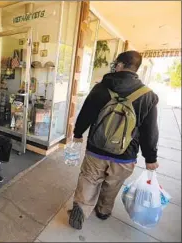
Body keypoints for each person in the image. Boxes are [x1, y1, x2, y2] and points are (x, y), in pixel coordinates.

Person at [69, 51, 159, 230]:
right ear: (136, 68)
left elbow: (85, 113)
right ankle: (103, 210)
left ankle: (80, 209)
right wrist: (151, 158)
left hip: (96, 148)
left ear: (119, 65)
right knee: (112, 184)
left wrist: (78, 133)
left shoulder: (101, 88)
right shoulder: (148, 96)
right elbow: (150, 131)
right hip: (125, 154)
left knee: (89, 179)